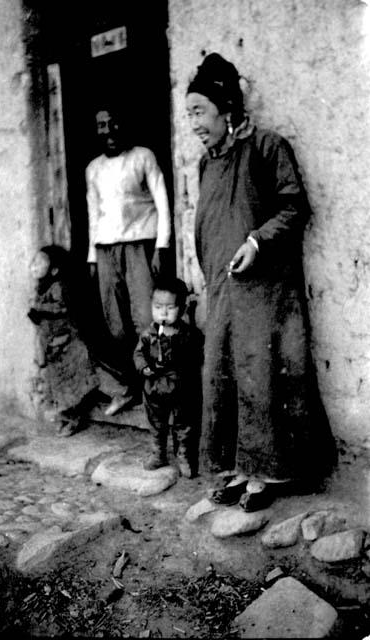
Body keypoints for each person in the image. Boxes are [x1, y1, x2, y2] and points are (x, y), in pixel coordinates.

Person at [185, 53, 336, 510]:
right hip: (223, 286)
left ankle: (268, 473)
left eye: (199, 112)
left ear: (226, 110)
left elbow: (294, 207)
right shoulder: (206, 164)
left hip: (266, 287)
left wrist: (256, 242)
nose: (193, 123)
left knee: (260, 374)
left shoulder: (268, 147)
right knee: (222, 372)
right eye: (188, 113)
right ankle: (235, 467)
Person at [86, 104, 171, 417]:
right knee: (115, 326)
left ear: (124, 125)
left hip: (139, 245)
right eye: (102, 125)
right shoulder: (93, 168)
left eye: (114, 123)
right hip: (106, 249)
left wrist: (162, 245)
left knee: (146, 321)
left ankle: (158, 394)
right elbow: (93, 213)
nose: (109, 131)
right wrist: (93, 257)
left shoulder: (143, 156)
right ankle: (126, 388)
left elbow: (162, 202)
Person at [133, 277, 203, 478]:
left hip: (180, 386)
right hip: (153, 386)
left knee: (184, 423)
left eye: (170, 308)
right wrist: (144, 367)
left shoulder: (187, 333)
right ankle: (159, 453)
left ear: (181, 309)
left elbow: (196, 353)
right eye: (157, 307)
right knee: (156, 423)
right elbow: (138, 353)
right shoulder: (149, 334)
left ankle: (184, 457)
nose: (163, 313)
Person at [28, 245, 100, 437]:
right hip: (52, 342)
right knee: (57, 382)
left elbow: (62, 308)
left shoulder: (57, 287)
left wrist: (40, 307)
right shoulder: (40, 288)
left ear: (54, 270)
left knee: (69, 382)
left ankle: (73, 418)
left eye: (40, 262)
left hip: (65, 341)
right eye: (33, 261)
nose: (33, 266)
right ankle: (64, 416)